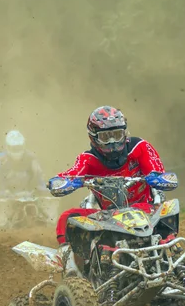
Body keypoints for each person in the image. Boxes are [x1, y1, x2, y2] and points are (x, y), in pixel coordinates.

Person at [46, 105, 176, 249]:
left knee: (171, 208)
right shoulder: (88, 159)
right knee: (67, 217)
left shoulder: (140, 147)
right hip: (107, 217)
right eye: (106, 137)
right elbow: (71, 174)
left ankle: (173, 249)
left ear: (125, 133)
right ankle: (69, 261)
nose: (113, 142)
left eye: (117, 134)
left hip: (145, 210)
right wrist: (62, 183)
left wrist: (157, 178)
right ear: (93, 137)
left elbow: (157, 170)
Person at [0, 130, 47, 197]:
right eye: (14, 148)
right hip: (6, 199)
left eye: (19, 147)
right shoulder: (0, 160)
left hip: (28, 198)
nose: (16, 152)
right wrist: (3, 193)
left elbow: (41, 181)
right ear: (7, 147)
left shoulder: (32, 159)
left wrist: (37, 192)